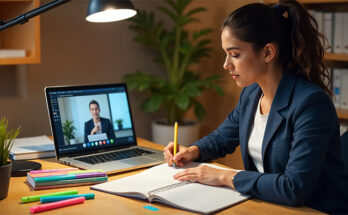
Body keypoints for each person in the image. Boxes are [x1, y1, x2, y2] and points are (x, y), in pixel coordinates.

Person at [163, 0, 348, 213]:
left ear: (268, 53)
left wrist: (225, 176)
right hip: (269, 205)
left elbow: (293, 187)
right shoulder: (252, 94)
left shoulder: (311, 105)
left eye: (235, 54)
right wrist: (193, 151)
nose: (226, 64)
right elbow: (223, 137)